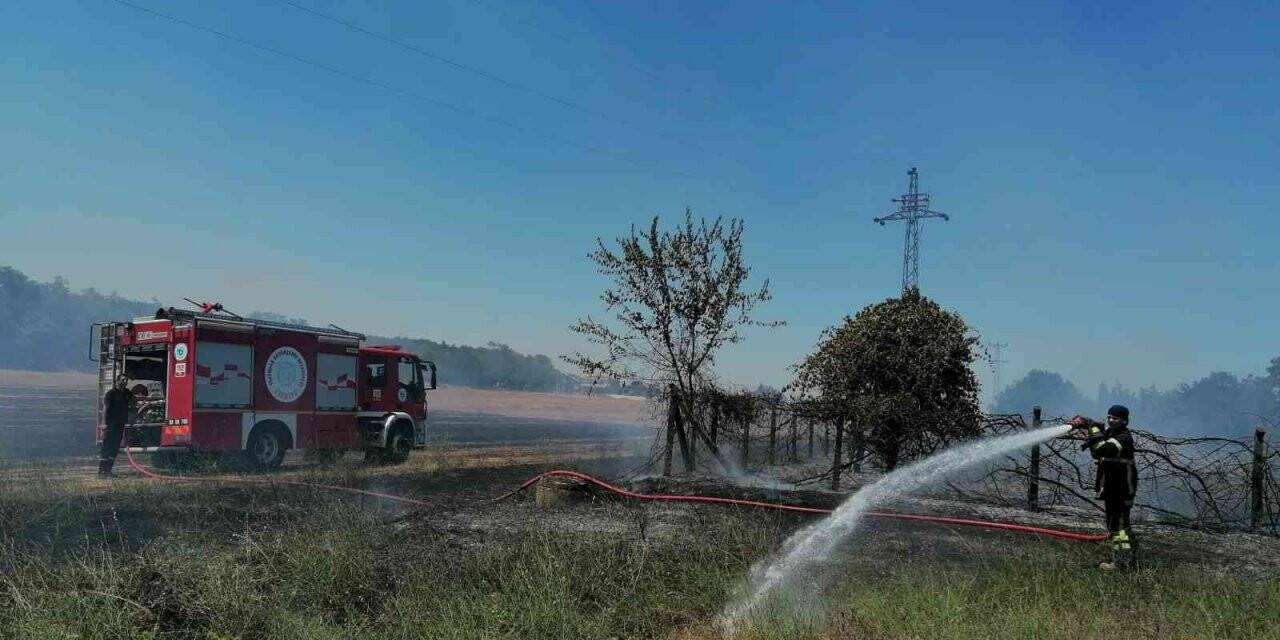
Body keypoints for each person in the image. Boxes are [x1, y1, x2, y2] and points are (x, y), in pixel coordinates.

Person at [1069, 405, 1139, 571]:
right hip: (1113, 487)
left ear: (1124, 421)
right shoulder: (1113, 432)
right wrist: (1086, 422)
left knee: (1120, 528)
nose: (1110, 420)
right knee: (1115, 525)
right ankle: (1122, 561)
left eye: (1114, 418)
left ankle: (1123, 564)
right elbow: (1101, 428)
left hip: (1121, 489)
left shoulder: (1123, 438)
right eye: (1109, 417)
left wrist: (1091, 428)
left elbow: (1100, 449)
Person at [99, 375, 135, 478]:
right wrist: (104, 424)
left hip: (121, 424)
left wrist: (133, 413)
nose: (125, 382)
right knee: (107, 447)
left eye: (126, 380)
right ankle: (102, 472)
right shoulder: (111, 394)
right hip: (111, 424)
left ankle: (108, 471)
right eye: (123, 380)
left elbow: (134, 401)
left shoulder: (127, 393)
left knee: (115, 448)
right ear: (117, 381)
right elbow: (105, 409)